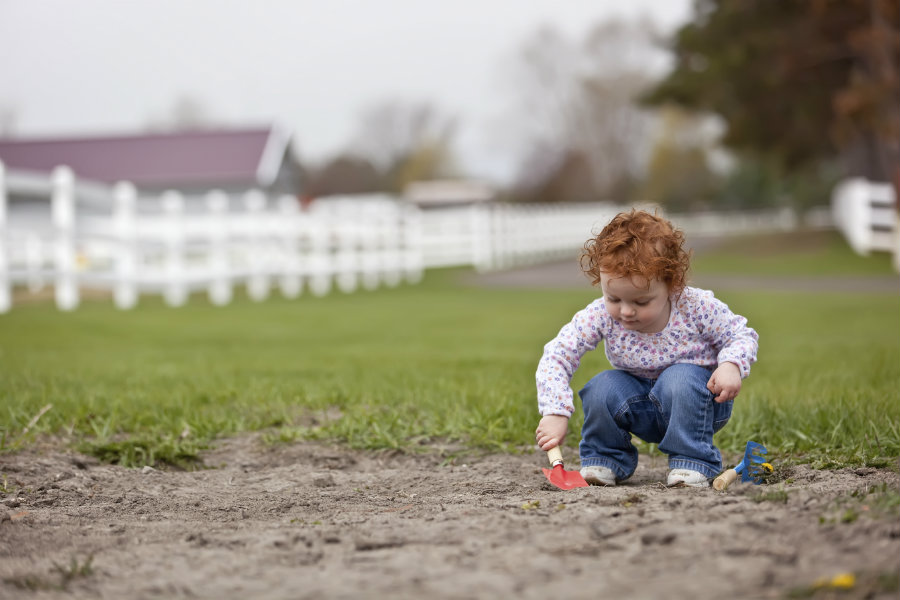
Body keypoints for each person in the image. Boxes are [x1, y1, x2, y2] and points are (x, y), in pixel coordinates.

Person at [534, 209, 759, 488]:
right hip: (640, 404)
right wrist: (555, 410)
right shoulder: (600, 315)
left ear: (671, 284)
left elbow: (740, 334)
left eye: (641, 302)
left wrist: (731, 365)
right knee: (601, 386)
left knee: (678, 377)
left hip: (697, 404)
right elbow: (558, 353)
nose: (626, 311)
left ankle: (692, 462)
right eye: (614, 297)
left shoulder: (695, 306)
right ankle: (605, 459)